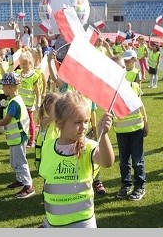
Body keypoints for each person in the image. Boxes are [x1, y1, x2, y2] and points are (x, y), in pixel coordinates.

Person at [38, 90, 114, 227]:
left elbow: (107, 162)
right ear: (60, 123)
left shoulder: (88, 147)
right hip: (54, 222)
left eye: (86, 121)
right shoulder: (48, 147)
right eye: (77, 122)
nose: (84, 127)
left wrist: (104, 136)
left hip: (82, 223)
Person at [0, 73, 34, 199]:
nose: (2, 89)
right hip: (15, 138)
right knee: (14, 162)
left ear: (10, 87)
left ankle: (28, 186)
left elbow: (6, 120)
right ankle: (20, 180)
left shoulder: (14, 103)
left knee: (20, 162)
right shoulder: (14, 100)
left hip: (18, 138)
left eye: (4, 86)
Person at [113, 71, 148, 201]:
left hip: (136, 130)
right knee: (123, 160)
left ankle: (140, 186)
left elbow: (141, 105)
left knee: (137, 160)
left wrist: (146, 122)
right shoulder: (112, 90)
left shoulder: (134, 86)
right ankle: (126, 184)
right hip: (121, 131)